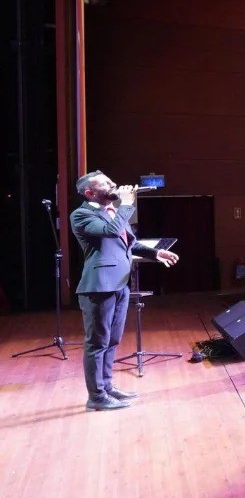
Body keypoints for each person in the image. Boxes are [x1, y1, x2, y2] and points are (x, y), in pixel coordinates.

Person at [70, 172, 180, 410]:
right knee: (97, 342)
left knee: (112, 340)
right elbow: (110, 231)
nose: (114, 185)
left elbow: (129, 242)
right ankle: (96, 396)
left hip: (120, 284)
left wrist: (156, 253)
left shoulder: (112, 212)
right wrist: (126, 205)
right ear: (90, 193)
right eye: (107, 184)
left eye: (112, 181)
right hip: (99, 287)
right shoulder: (82, 215)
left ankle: (107, 387)